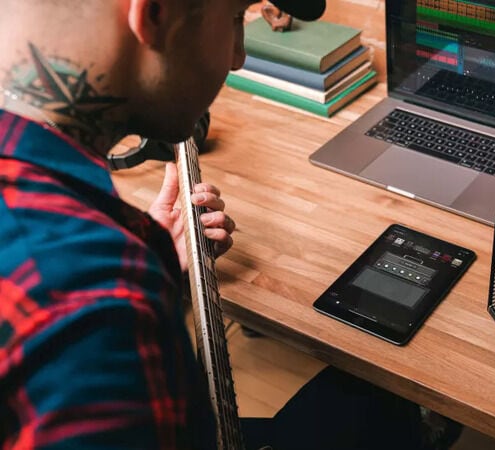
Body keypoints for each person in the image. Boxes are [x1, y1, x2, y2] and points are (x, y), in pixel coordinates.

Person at [0, 0, 459, 448]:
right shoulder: (91, 318)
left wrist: (152, 258)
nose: (237, 57)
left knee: (378, 400)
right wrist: (128, 283)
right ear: (156, 14)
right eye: (236, 17)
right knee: (385, 406)